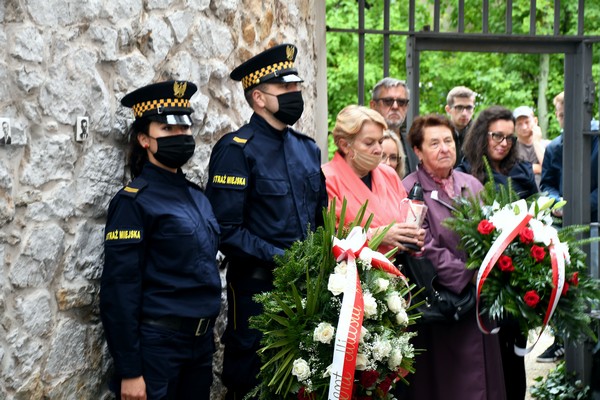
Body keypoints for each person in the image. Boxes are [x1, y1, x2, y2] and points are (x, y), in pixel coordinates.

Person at [205, 43, 328, 399]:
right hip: (258, 293)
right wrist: (284, 259)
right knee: (255, 384)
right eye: (285, 87)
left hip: (307, 292)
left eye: (296, 86)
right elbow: (226, 231)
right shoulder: (236, 150)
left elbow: (320, 219)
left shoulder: (307, 148)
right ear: (258, 97)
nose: (295, 93)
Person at [100, 80, 222, 400]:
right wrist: (130, 371)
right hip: (158, 349)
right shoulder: (134, 202)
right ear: (144, 139)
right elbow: (119, 290)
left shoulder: (198, 197)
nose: (180, 135)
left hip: (200, 346)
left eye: (184, 127)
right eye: (167, 128)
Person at [401, 114, 505, 400]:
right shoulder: (409, 189)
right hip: (443, 303)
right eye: (434, 143)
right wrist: (468, 274)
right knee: (449, 383)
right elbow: (421, 245)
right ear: (418, 151)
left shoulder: (471, 184)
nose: (444, 148)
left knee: (485, 381)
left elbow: (494, 231)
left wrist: (489, 270)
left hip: (479, 299)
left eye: (448, 140)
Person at [457, 105, 539, 399]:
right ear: (482, 135)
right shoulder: (465, 172)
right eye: (497, 136)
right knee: (487, 357)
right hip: (483, 278)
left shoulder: (522, 169)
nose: (504, 143)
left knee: (515, 355)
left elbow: (538, 211)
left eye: (510, 138)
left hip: (519, 275)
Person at [537, 91, 598, 362]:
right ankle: (562, 341)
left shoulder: (597, 138)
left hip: (595, 223)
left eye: (571, 114)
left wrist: (579, 205)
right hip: (565, 228)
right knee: (562, 282)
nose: (566, 120)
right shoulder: (554, 147)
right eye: (562, 115)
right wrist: (555, 202)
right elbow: (547, 184)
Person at [321, 104, 424, 255]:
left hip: (397, 266)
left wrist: (413, 237)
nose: (378, 150)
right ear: (345, 145)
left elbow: (406, 219)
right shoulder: (326, 178)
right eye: (369, 143)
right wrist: (377, 235)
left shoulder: (389, 174)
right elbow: (327, 237)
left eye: (380, 142)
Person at [369, 77, 418, 176]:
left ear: (407, 107)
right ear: (373, 105)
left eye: (401, 102)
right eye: (388, 101)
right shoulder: (362, 144)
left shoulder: (415, 144)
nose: (395, 106)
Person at [513, 105, 546, 188]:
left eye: (527, 122)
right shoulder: (511, 149)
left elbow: (550, 170)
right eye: (519, 124)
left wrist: (536, 142)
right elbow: (512, 171)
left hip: (547, 193)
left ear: (535, 121)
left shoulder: (548, 145)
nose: (524, 127)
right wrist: (538, 168)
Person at [445, 86, 476, 166]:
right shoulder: (439, 133)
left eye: (469, 108)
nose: (464, 113)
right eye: (459, 107)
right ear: (448, 109)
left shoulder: (480, 134)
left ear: (473, 110)